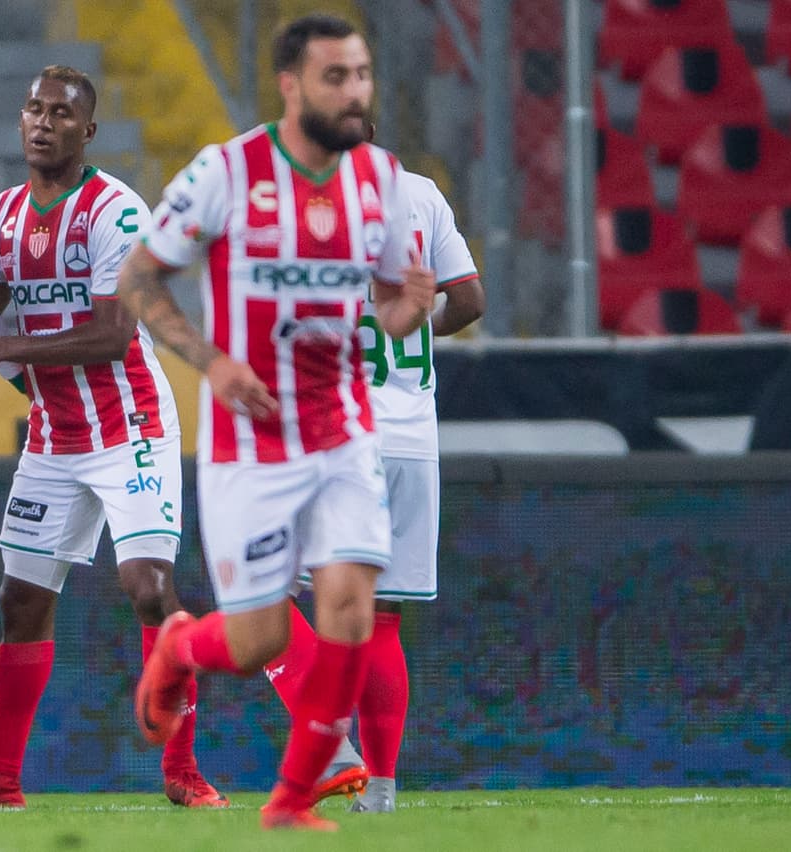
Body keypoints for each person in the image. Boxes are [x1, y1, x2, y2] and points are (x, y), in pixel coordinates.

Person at [117, 14, 437, 831]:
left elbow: (391, 311)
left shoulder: (383, 180)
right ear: (291, 85)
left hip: (343, 429)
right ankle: (180, 647)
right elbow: (140, 279)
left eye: (362, 74)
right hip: (250, 444)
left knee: (352, 605)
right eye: (336, 76)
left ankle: (292, 800)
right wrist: (213, 361)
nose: (355, 90)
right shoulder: (226, 172)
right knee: (258, 640)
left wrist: (408, 309)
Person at [0, 65, 225, 809]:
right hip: (56, 437)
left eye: (60, 113)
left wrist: (1, 354)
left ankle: (183, 772)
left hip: (132, 427)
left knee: (148, 588)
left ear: (87, 131)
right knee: (19, 602)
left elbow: (116, 333)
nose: (42, 121)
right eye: (32, 108)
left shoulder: (115, 211)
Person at [261, 134, 484, 812]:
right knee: (382, 619)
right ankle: (381, 792)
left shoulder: (302, 205)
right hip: (413, 437)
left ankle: (331, 745)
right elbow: (469, 301)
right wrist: (415, 329)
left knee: (262, 589)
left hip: (339, 435)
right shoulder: (420, 193)